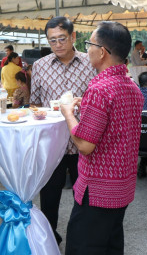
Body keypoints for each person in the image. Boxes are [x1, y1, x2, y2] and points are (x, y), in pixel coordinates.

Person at [61, 21, 144, 255]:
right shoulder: (131, 87)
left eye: (90, 44)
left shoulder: (99, 89)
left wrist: (68, 113)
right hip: (121, 187)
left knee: (84, 247)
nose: (87, 49)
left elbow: (85, 145)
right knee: (111, 245)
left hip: (97, 191)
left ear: (102, 52)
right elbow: (114, 131)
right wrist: (86, 107)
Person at [30, 16, 96, 245]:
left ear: (73, 36)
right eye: (52, 41)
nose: (57, 44)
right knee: (49, 198)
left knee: (86, 198)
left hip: (85, 144)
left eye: (62, 38)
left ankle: (84, 240)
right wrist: (38, 112)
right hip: (52, 145)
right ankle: (49, 239)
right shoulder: (40, 66)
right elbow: (34, 103)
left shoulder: (92, 62)